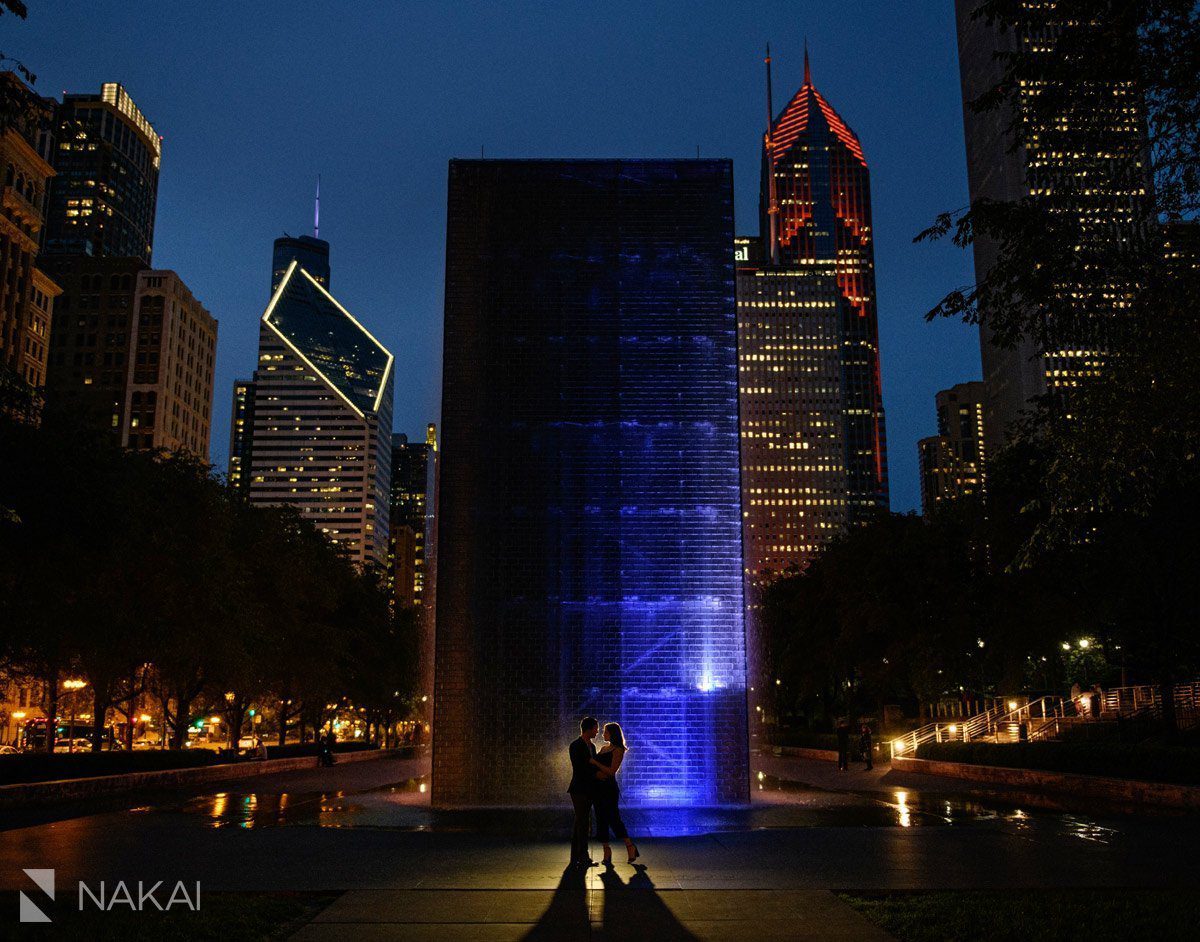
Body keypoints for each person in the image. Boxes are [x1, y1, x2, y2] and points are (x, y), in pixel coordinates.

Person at [589, 722, 640, 866]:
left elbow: (612, 771)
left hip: (609, 789)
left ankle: (629, 845)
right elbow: (595, 768)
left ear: (612, 733)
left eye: (605, 732)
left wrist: (595, 763)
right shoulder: (604, 748)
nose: (603, 734)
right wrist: (596, 773)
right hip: (598, 788)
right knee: (601, 818)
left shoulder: (618, 750)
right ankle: (606, 850)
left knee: (613, 817)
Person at [567, 716, 599, 866]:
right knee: (583, 822)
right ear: (589, 728)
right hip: (579, 789)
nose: (597, 731)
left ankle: (576, 857)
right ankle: (582, 856)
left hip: (587, 789)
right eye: (595, 728)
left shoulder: (591, 746)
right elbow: (579, 767)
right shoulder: (576, 745)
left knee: (580, 822)